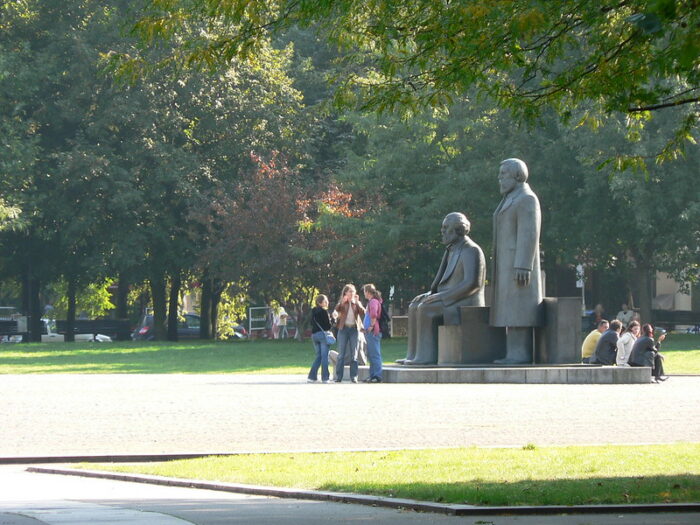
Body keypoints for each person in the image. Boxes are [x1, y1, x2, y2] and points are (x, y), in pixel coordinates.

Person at [402, 212, 486, 365]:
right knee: (414, 306)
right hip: (451, 299)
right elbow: (442, 282)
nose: (442, 231)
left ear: (458, 230)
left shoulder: (471, 250)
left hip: (466, 302)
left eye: (446, 228)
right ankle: (413, 355)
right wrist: (429, 294)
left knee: (426, 309)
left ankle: (426, 357)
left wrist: (442, 297)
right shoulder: (451, 250)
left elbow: (472, 284)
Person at [490, 158, 543, 364]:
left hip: (518, 266)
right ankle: (513, 353)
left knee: (518, 310)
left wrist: (523, 264)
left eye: (503, 174)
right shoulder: (510, 199)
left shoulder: (527, 199)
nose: (499, 178)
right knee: (510, 309)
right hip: (506, 264)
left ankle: (519, 354)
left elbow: (529, 233)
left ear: (517, 175)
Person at [333, 284, 365, 383]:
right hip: (343, 329)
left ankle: (354, 376)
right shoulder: (343, 303)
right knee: (341, 354)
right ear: (345, 293)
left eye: (353, 291)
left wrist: (358, 303)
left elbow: (363, 312)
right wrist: (342, 302)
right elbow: (336, 310)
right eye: (350, 291)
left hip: (354, 330)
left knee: (354, 354)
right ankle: (339, 376)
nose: (352, 293)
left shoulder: (356, 303)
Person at [307, 294, 333, 383]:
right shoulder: (324, 312)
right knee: (324, 356)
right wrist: (334, 319)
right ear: (319, 303)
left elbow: (311, 323)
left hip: (314, 336)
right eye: (325, 301)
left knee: (319, 356)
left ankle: (312, 376)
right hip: (322, 336)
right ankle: (325, 378)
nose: (327, 302)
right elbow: (328, 326)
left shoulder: (313, 311)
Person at [362, 283, 384, 383]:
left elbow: (374, 314)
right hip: (369, 332)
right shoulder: (371, 301)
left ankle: (377, 376)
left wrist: (371, 326)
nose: (364, 294)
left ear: (368, 292)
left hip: (373, 331)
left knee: (375, 354)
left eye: (364, 292)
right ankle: (372, 375)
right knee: (371, 354)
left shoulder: (373, 302)